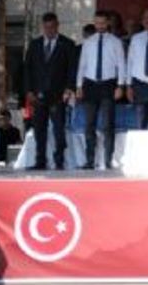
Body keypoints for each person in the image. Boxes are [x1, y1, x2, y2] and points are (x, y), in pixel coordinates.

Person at [21, 12, 77, 170]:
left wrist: (69, 89)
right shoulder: (35, 44)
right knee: (39, 130)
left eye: (52, 27)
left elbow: (72, 69)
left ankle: (59, 161)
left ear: (57, 26)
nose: (49, 30)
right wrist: (29, 90)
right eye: (46, 27)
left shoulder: (67, 44)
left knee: (59, 130)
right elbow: (27, 69)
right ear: (42, 27)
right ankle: (40, 161)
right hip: (38, 94)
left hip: (58, 95)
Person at [76, 10, 127, 170]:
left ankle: (108, 160)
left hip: (108, 84)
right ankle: (90, 160)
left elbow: (121, 65)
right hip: (90, 84)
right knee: (89, 124)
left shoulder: (116, 42)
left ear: (108, 23)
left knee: (107, 125)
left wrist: (120, 85)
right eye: (97, 23)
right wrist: (79, 85)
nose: (100, 26)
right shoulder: (88, 42)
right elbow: (82, 65)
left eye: (103, 23)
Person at [126, 7, 148, 130]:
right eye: (144, 18)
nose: (147, 20)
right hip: (139, 84)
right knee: (141, 122)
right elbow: (130, 62)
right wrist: (129, 86)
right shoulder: (136, 38)